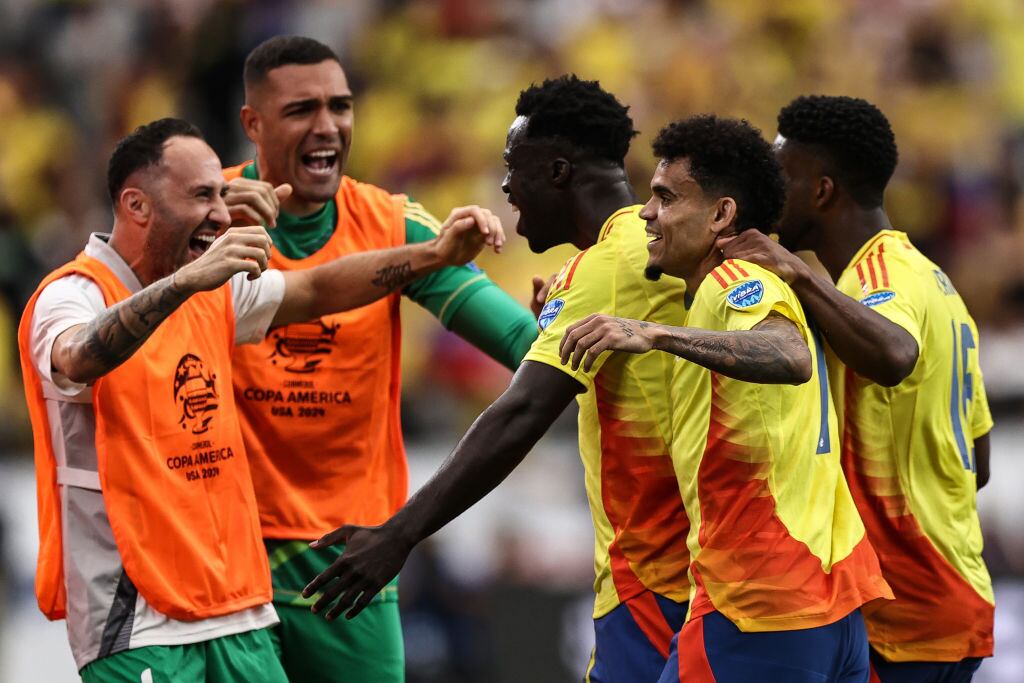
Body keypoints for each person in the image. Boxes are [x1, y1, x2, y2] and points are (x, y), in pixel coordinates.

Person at [17, 118, 502, 682]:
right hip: (138, 621)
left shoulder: (209, 290)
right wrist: (184, 284)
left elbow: (316, 288)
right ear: (137, 205)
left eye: (222, 196)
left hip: (237, 608)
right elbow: (76, 358)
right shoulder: (71, 293)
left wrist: (433, 256)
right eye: (202, 196)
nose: (222, 215)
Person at [303, 74, 693, 682]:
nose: (506, 183)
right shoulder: (647, 250)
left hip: (659, 574)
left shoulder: (605, 266)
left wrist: (399, 535)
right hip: (674, 564)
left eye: (514, 166)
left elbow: (520, 414)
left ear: (559, 171)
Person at [217, 35, 541, 682]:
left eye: (340, 106)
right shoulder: (203, 218)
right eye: (301, 109)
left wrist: (558, 325)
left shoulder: (394, 226)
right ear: (252, 123)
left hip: (348, 559)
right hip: (225, 554)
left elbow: (526, 347)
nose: (328, 125)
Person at [559, 115, 892, 683]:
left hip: (760, 601)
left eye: (665, 197)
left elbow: (788, 354)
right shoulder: (742, 289)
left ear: (721, 214)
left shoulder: (735, 278)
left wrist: (656, 333)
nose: (647, 212)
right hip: (826, 603)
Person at [718, 95, 995, 682]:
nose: (769, 195)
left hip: (907, 605)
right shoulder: (936, 282)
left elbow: (894, 355)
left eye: (780, 178)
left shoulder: (879, 278)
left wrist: (796, 273)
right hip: (954, 589)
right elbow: (981, 459)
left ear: (821, 191)